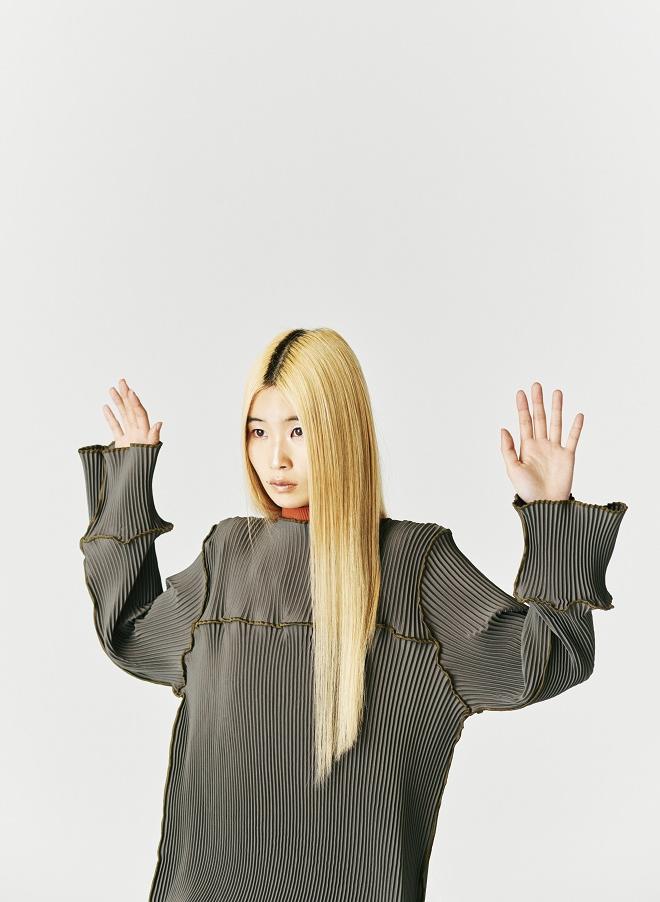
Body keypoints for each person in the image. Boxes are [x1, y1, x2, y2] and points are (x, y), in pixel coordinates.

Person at [77, 326, 627, 902]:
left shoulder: (414, 566)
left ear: (341, 430)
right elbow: (131, 633)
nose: (275, 457)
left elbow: (546, 660)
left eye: (299, 430)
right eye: (258, 431)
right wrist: (128, 478)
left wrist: (551, 510)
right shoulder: (229, 556)